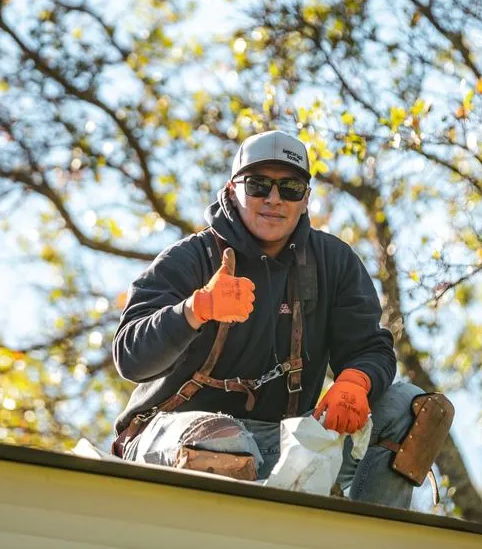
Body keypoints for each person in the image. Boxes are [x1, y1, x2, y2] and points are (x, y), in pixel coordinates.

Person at [113, 130, 449, 507]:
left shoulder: (333, 262)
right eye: (258, 185)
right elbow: (130, 357)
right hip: (178, 439)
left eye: (290, 187)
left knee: (413, 407)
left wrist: (356, 381)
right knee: (226, 441)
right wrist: (196, 310)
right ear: (231, 190)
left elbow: (371, 347)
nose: (273, 199)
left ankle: (367, 533)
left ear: (306, 198)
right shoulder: (191, 258)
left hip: (283, 443)